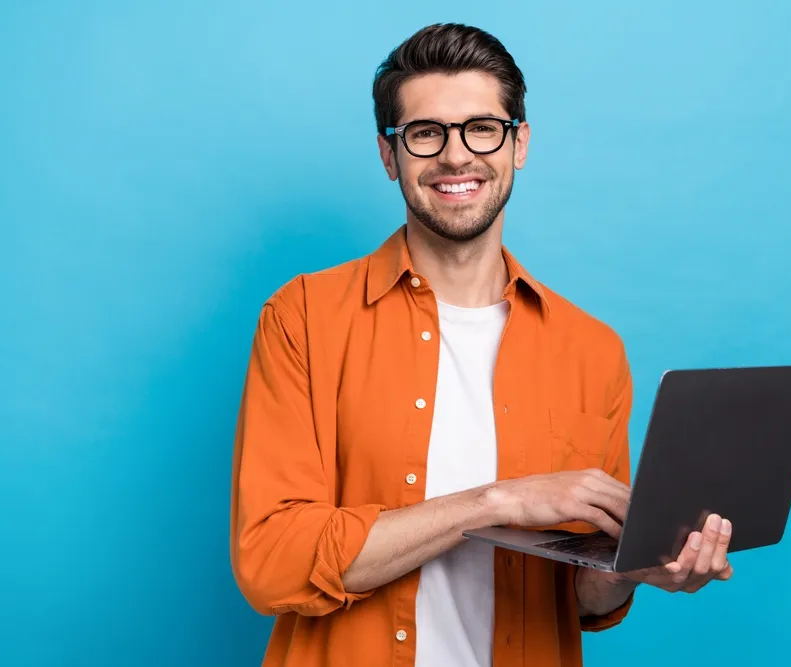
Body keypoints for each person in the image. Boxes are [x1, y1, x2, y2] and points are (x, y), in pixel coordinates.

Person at [229, 22, 734, 667]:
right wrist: (495, 502)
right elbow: (272, 563)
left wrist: (631, 571)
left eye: (482, 127)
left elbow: (577, 598)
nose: (456, 155)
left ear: (518, 143)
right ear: (390, 156)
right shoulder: (302, 318)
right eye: (425, 132)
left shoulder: (593, 351)